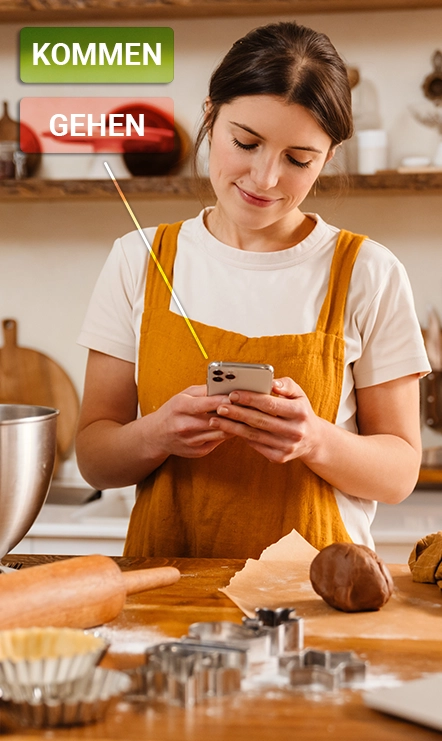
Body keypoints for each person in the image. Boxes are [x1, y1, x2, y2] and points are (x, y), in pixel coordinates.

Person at [76, 21, 430, 559]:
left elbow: (400, 473)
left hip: (318, 596)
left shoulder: (368, 272)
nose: (265, 178)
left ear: (328, 158)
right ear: (210, 118)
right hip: (168, 591)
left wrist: (315, 439)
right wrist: (156, 434)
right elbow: (95, 457)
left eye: (298, 159)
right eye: (246, 142)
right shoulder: (138, 260)